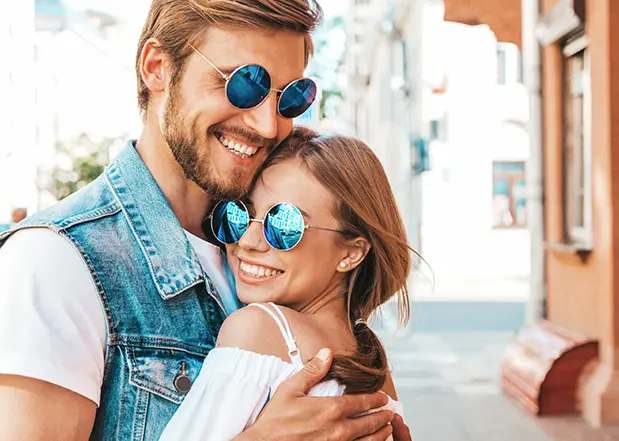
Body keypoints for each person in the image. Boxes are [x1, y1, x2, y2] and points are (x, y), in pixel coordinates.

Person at [0, 1, 410, 440]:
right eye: (243, 85)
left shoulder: (258, 251)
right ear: (157, 67)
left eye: (290, 99)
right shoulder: (54, 262)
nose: (268, 125)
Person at [159, 128, 411, 440]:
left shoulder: (258, 330)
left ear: (351, 252)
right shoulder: (374, 366)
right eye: (240, 214)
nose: (248, 241)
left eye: (283, 224)